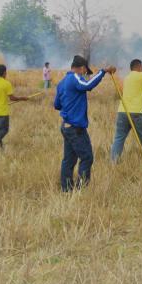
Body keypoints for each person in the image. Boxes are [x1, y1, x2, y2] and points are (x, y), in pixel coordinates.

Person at [54, 55, 116, 192]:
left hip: (66, 126)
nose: (84, 75)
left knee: (68, 160)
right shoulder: (75, 77)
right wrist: (103, 71)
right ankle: (81, 189)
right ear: (82, 68)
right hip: (76, 128)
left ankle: (66, 190)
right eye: (85, 72)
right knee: (87, 157)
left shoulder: (61, 82)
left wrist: (69, 103)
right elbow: (88, 85)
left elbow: (56, 105)